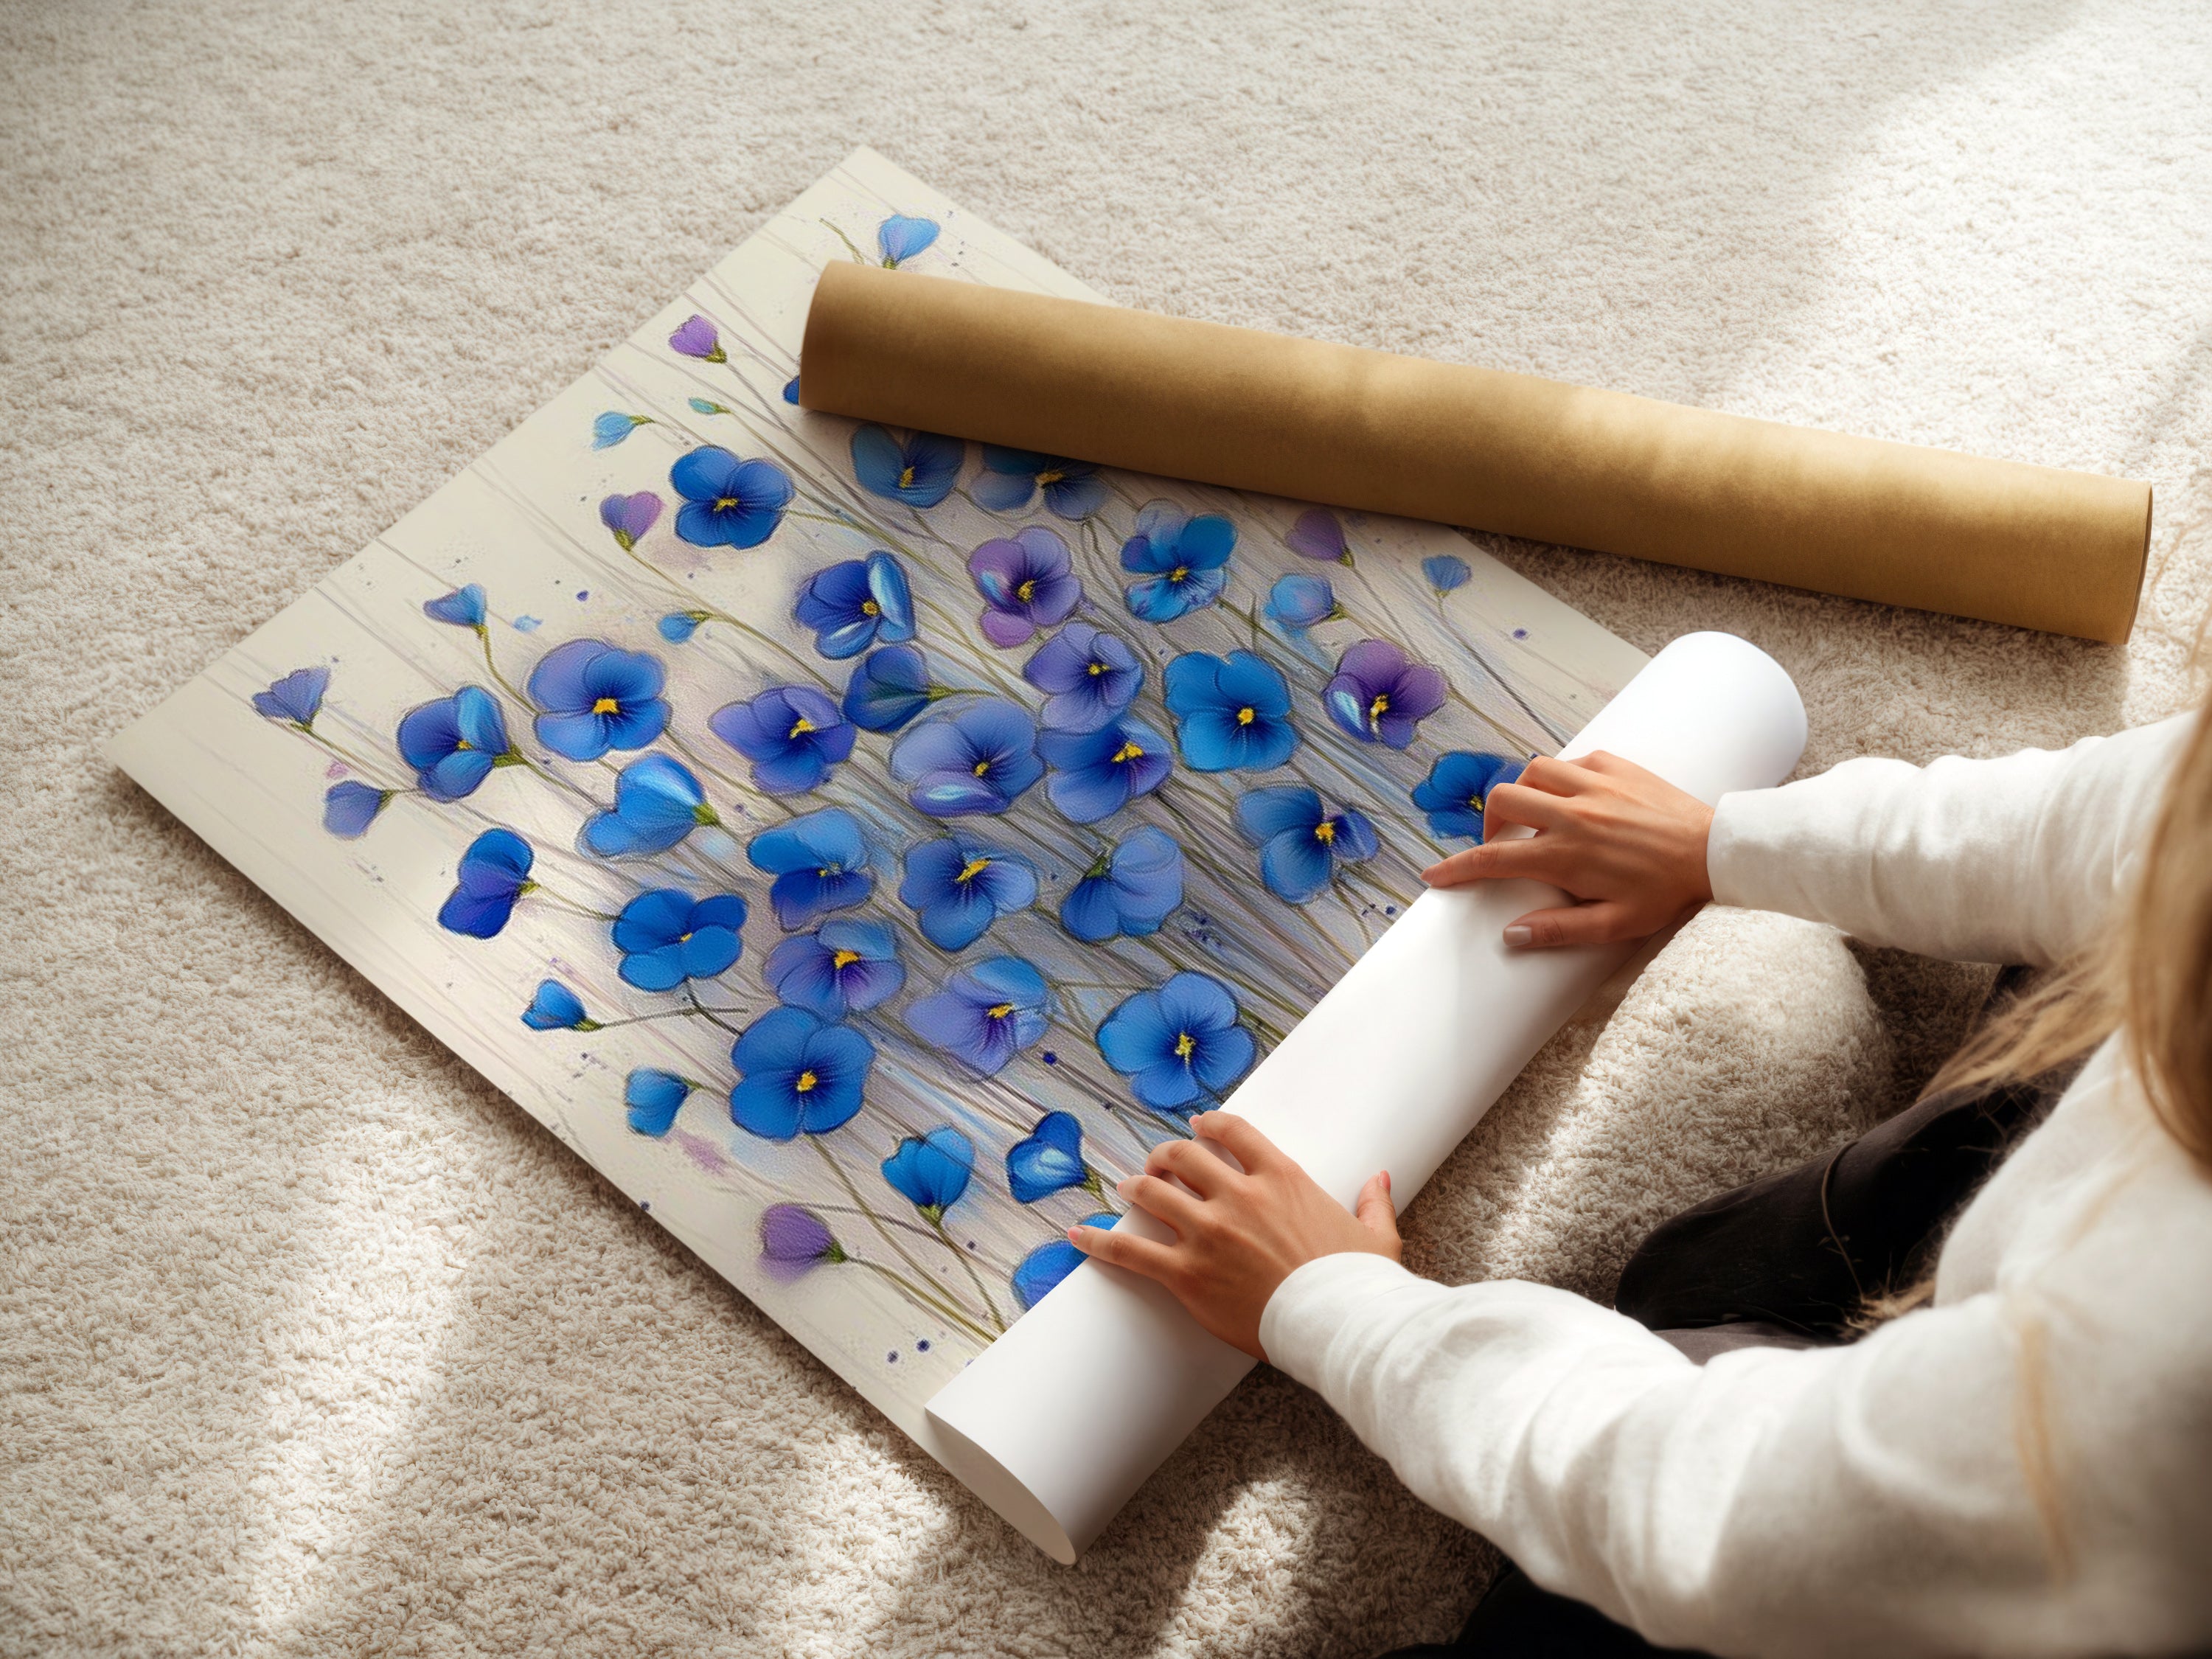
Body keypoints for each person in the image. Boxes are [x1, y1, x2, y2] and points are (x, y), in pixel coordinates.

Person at [1066, 707, 2212, 1657]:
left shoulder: (2157, 1377)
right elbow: (2124, 818)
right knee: (1694, 1275)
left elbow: (1717, 1512)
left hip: (2050, 1560)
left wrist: (1337, 1307)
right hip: (2068, 1327)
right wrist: (1722, 841)